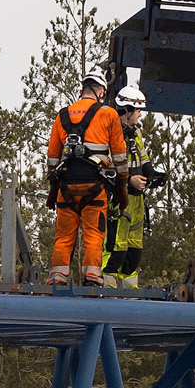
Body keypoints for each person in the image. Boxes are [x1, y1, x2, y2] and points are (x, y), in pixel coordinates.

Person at [44, 67, 127, 286]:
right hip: (95, 187)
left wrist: (53, 189)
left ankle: (57, 277)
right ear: (100, 90)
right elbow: (119, 154)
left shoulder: (62, 115)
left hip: (66, 187)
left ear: (82, 89)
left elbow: (52, 157)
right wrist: (122, 185)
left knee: (63, 237)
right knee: (94, 234)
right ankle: (91, 277)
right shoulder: (109, 114)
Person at [102, 85, 152, 288]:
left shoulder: (136, 133)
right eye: (138, 110)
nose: (140, 115)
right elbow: (107, 164)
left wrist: (152, 174)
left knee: (135, 246)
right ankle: (109, 284)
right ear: (128, 110)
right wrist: (130, 179)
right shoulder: (111, 132)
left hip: (137, 199)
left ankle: (130, 286)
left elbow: (143, 157)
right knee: (115, 242)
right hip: (118, 196)